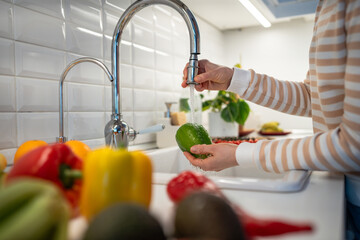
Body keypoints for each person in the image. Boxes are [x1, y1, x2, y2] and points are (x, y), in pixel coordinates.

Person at [182, 0, 360, 239]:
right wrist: (232, 79)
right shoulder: (327, 5)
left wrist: (239, 154)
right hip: (349, 190)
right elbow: (313, 96)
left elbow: (354, 146)